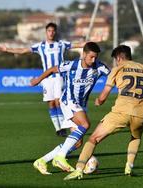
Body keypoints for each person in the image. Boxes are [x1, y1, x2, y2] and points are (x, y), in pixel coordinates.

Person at [63, 45, 143, 180]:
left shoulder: (117, 69)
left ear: (119, 57)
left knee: (93, 138)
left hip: (121, 112)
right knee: (135, 137)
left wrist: (98, 101)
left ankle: (78, 169)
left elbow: (103, 97)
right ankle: (129, 166)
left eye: (115, 59)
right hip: (140, 114)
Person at [30, 42, 110, 175]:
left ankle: (42, 161)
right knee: (85, 124)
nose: (94, 60)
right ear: (84, 54)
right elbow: (52, 69)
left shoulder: (100, 67)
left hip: (81, 106)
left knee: (77, 143)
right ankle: (60, 157)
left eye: (96, 57)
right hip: (68, 101)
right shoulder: (72, 65)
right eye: (91, 57)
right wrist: (38, 80)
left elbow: (113, 76)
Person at [0, 22, 84, 137]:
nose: (51, 33)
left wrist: (96, 41)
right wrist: (7, 49)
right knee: (51, 104)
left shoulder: (61, 44)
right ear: (46, 32)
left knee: (59, 102)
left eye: (53, 31)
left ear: (55, 32)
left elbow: (79, 44)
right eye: (49, 31)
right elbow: (23, 51)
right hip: (46, 78)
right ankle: (58, 129)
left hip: (59, 77)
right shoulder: (40, 46)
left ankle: (63, 127)